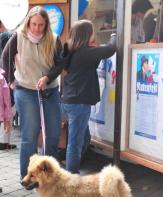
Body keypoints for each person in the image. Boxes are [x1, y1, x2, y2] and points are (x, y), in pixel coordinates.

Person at [1, 6, 63, 180]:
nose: (36, 28)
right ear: (28, 22)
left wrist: (48, 78)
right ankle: (27, 177)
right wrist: (11, 82)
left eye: (40, 25)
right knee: (30, 135)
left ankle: (50, 177)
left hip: (49, 90)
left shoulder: (54, 39)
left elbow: (60, 64)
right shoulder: (18, 37)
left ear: (46, 25)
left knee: (52, 135)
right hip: (26, 90)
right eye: (33, 24)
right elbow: (5, 58)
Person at [60, 20, 116, 174]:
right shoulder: (84, 53)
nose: (94, 34)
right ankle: (72, 174)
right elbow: (111, 49)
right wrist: (114, 35)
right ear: (86, 35)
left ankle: (71, 164)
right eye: (92, 32)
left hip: (69, 100)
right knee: (76, 142)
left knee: (84, 138)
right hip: (79, 103)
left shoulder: (72, 50)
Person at [0, 20, 16, 150]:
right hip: (5, 77)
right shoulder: (6, 36)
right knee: (9, 108)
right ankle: (4, 141)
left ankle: (5, 141)